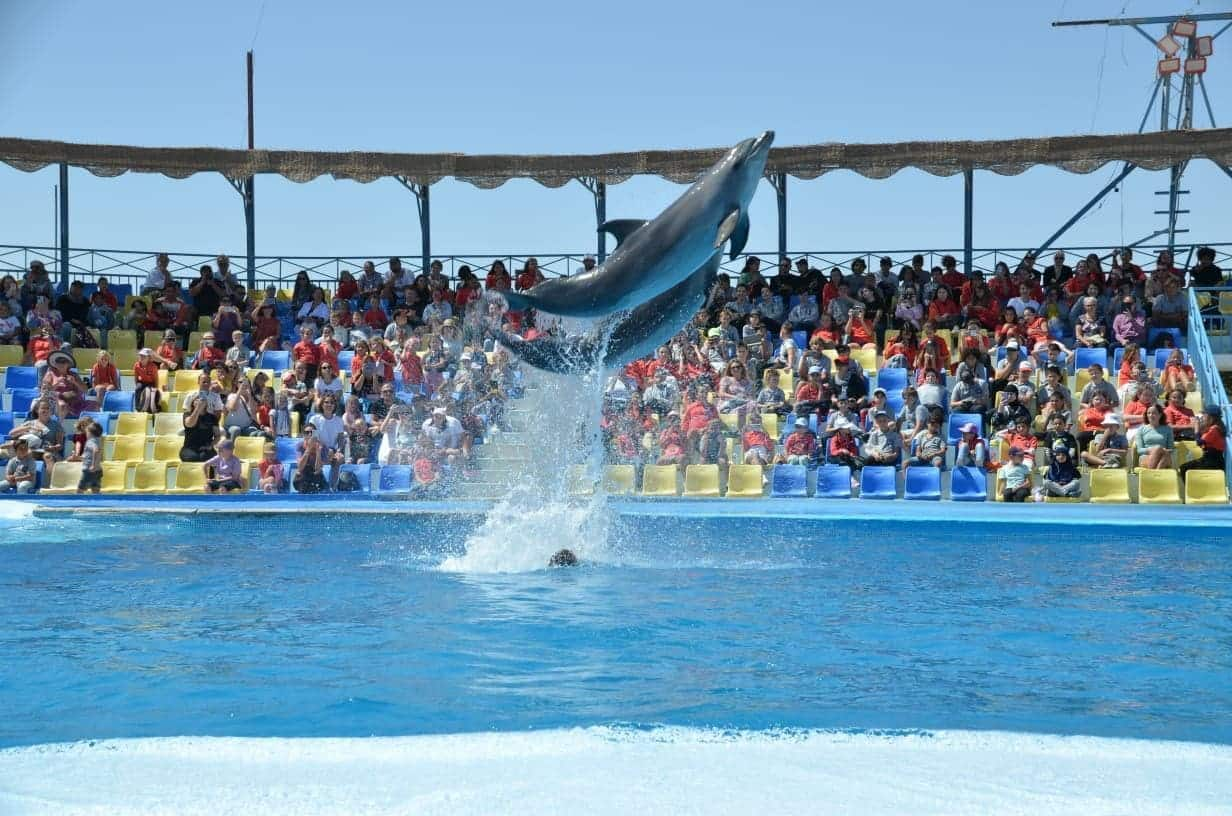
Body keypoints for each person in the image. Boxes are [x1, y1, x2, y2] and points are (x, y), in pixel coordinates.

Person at [180, 373, 223, 462]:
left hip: (205, 446)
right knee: (193, 457)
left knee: (207, 457)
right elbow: (189, 424)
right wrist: (198, 409)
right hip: (190, 447)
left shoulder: (212, 416)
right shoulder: (190, 399)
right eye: (204, 382)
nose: (206, 384)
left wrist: (211, 445)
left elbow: (217, 435)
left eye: (208, 382)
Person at [1179, 407, 1227, 477]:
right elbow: (1203, 445)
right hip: (1211, 459)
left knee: (1184, 468)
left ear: (1211, 418)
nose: (1202, 418)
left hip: (1213, 461)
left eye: (1204, 416)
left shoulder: (1214, 429)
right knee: (1184, 467)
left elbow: (1199, 442)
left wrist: (1196, 429)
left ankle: (1193, 486)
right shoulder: (1214, 427)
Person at [76, 420, 103, 494]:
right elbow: (90, 455)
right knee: (95, 490)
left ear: (90, 433)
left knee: (80, 490)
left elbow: (96, 450)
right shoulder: (99, 440)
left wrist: (93, 465)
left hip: (89, 470)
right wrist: (79, 458)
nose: (86, 434)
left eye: (87, 432)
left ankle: (77, 504)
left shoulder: (90, 441)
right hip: (98, 470)